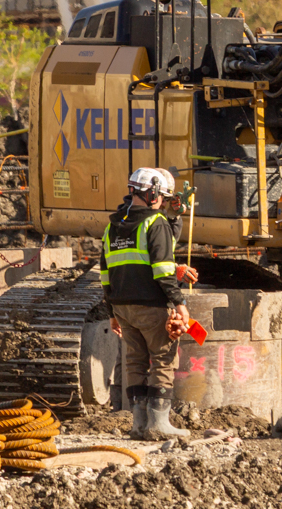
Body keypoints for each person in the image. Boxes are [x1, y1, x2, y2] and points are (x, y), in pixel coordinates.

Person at [100, 167, 198, 439]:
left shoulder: (112, 227)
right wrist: (179, 303)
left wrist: (112, 312)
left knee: (135, 362)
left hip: (123, 307)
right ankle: (158, 423)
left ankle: (139, 424)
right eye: (163, 197)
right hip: (151, 305)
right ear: (153, 194)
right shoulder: (155, 222)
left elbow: (105, 274)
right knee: (163, 360)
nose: (163, 202)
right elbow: (164, 270)